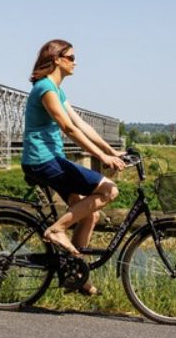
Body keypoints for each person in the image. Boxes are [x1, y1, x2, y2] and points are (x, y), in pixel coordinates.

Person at [21, 39, 125, 295]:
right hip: (42, 160)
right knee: (109, 191)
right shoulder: (45, 88)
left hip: (50, 159)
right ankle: (56, 230)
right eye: (71, 57)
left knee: (90, 214)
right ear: (57, 59)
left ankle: (75, 275)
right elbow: (68, 128)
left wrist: (111, 151)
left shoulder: (57, 89)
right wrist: (101, 156)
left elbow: (82, 125)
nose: (76, 62)